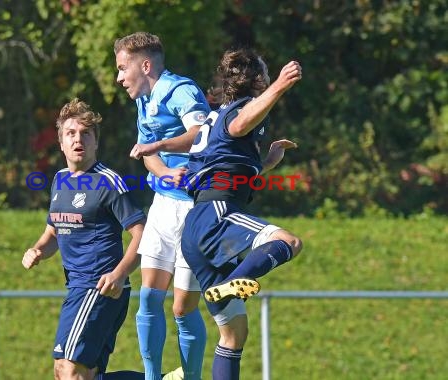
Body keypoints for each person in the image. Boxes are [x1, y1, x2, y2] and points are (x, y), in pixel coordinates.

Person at [180, 48, 304, 380]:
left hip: (197, 227)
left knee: (233, 335)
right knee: (288, 241)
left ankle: (230, 285)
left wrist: (265, 164)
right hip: (217, 212)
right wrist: (279, 86)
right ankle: (235, 282)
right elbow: (240, 124)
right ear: (259, 79)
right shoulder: (236, 111)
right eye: (265, 73)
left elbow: (218, 163)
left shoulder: (214, 116)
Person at [22, 98, 151, 380]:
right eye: (71, 133)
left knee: (68, 371)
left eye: (85, 134)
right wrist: (37, 250)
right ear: (61, 143)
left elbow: (143, 233)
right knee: (82, 374)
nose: (78, 139)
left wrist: (119, 274)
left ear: (95, 143)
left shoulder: (108, 182)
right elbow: (54, 231)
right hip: (78, 289)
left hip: (100, 287)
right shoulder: (59, 180)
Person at [114, 32, 209, 380]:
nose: (119, 77)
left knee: (183, 309)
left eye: (123, 68)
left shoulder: (180, 90)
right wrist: (165, 170)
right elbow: (146, 151)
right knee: (149, 299)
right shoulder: (143, 100)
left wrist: (160, 147)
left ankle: (192, 377)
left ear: (146, 65)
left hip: (195, 211)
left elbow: (201, 135)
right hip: (162, 208)